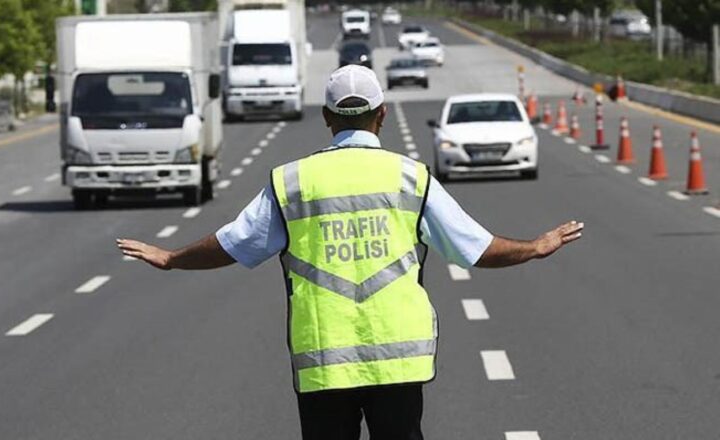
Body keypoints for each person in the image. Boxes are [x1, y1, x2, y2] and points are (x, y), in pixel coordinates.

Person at [117, 65, 584, 440]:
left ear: (326, 117)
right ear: (381, 115)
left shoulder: (293, 182)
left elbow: (233, 244)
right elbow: (475, 248)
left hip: (324, 361)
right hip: (399, 361)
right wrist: (535, 247)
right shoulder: (410, 178)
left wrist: (172, 257)